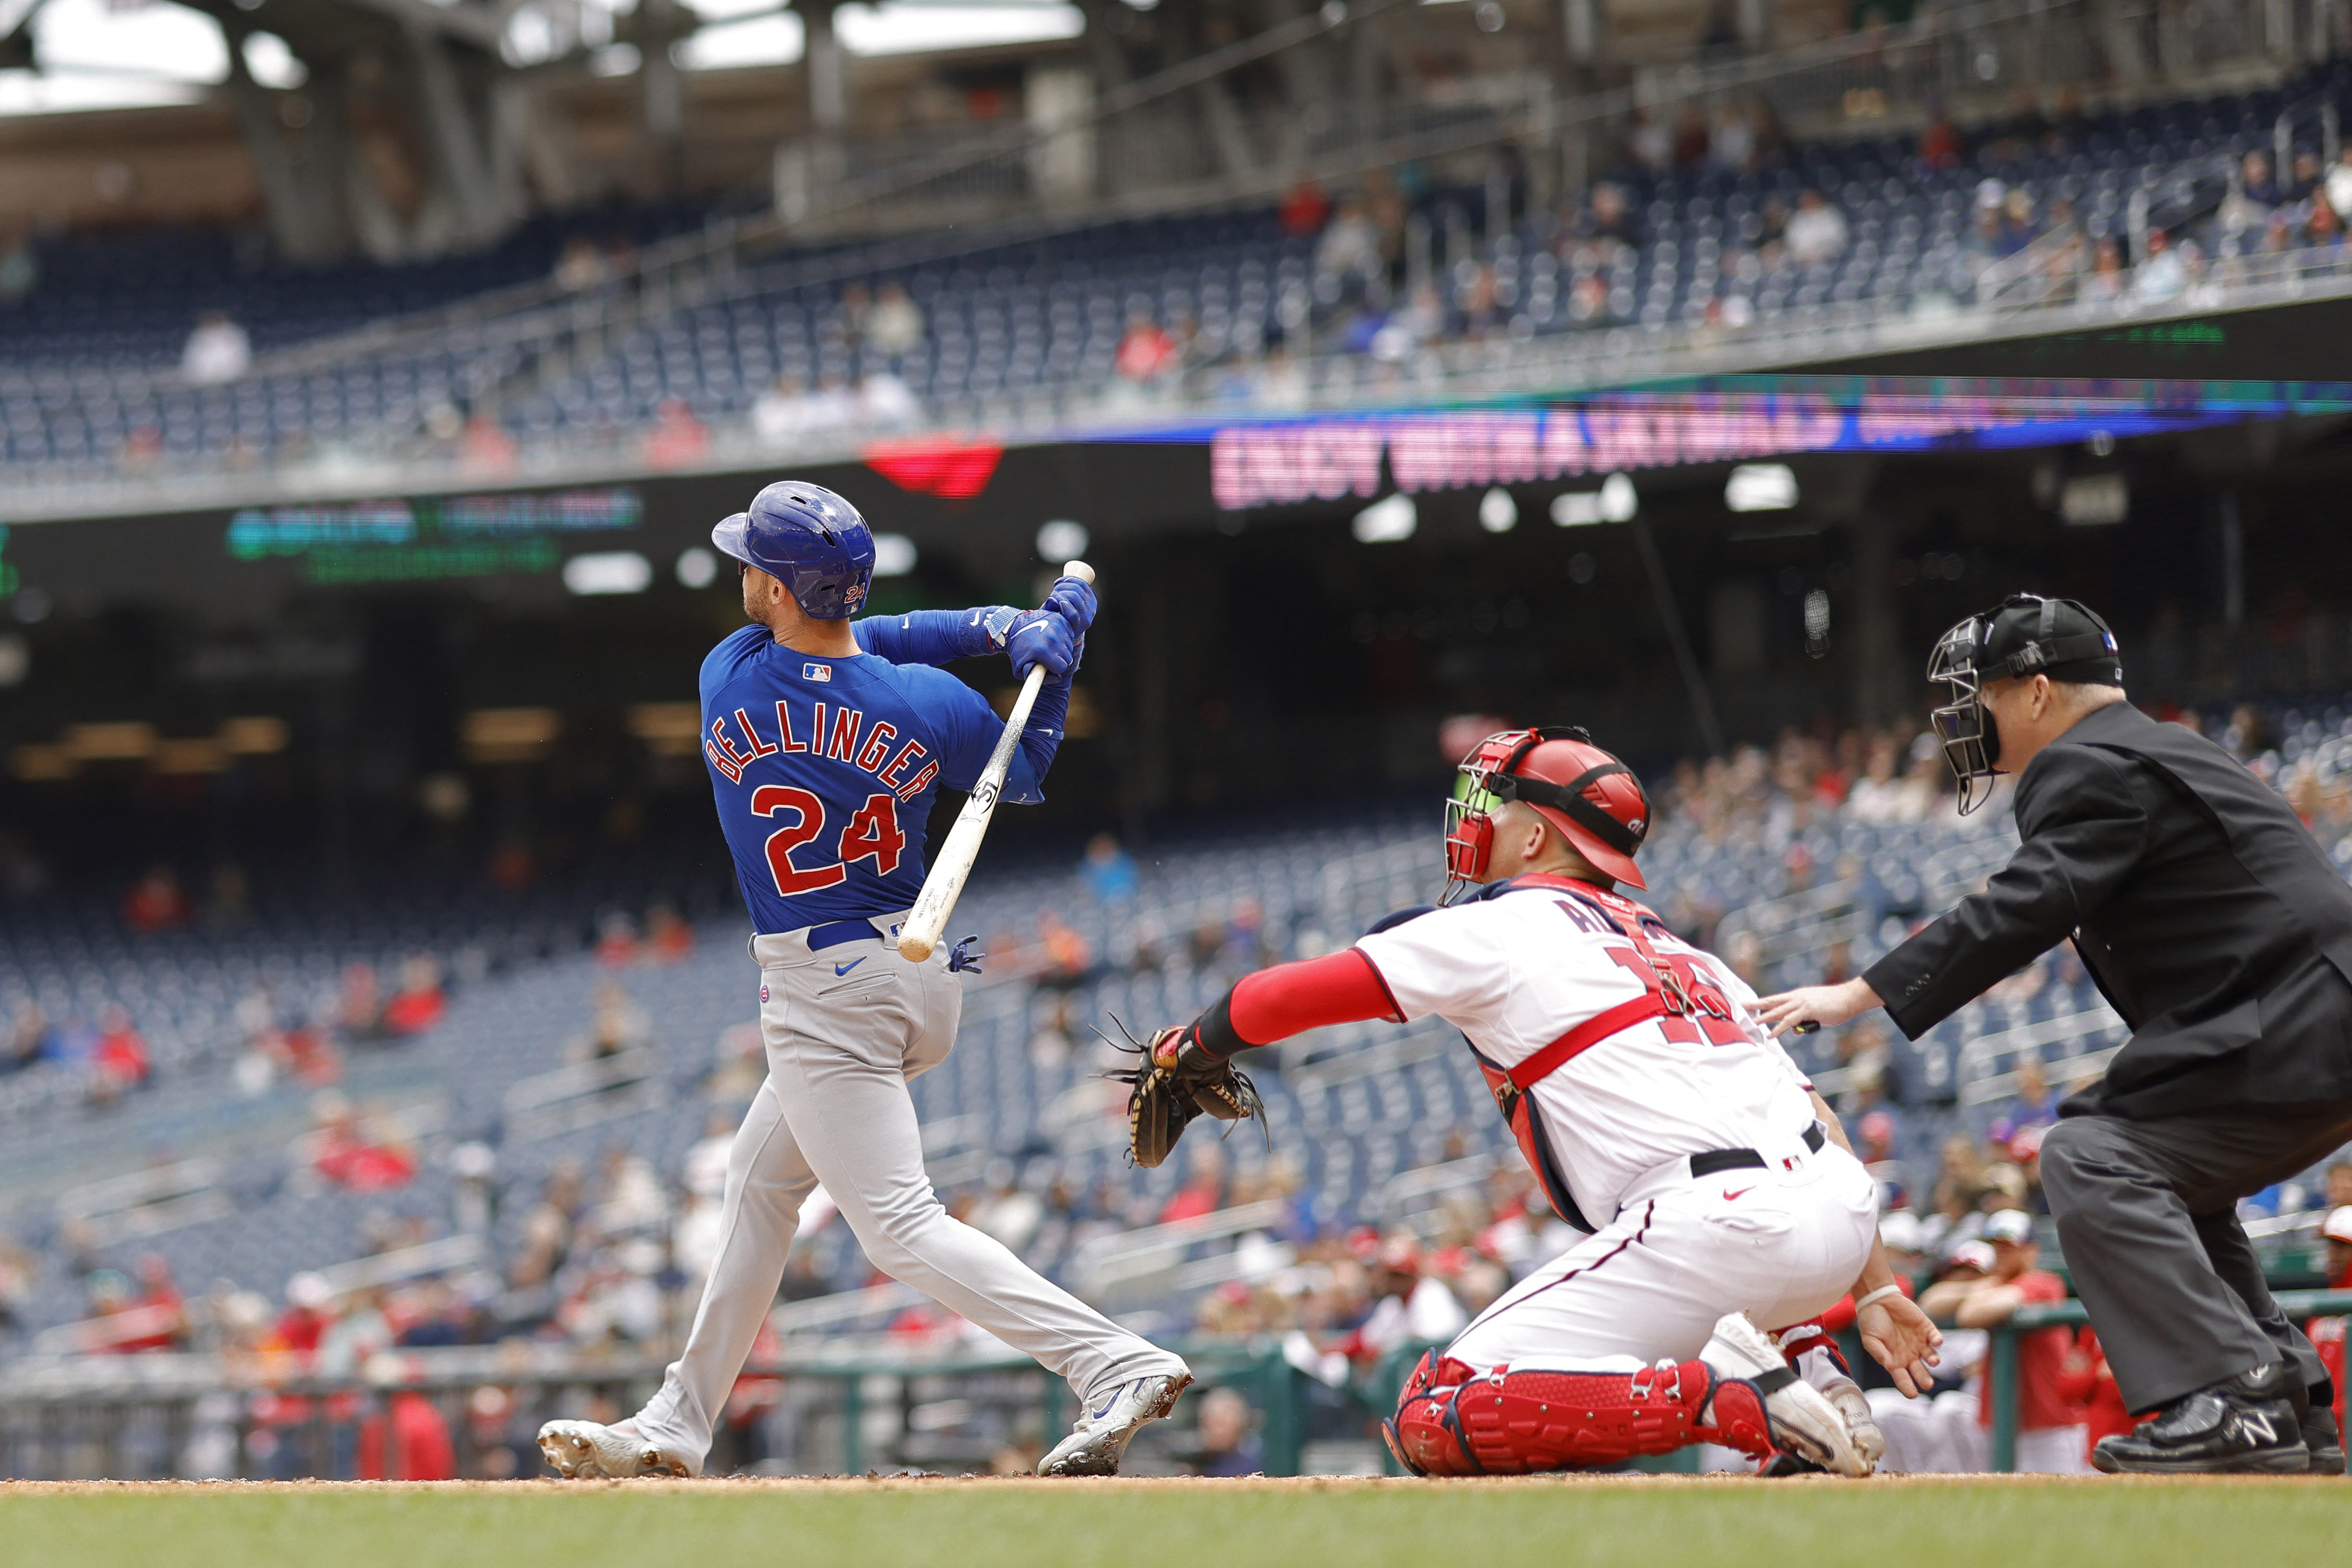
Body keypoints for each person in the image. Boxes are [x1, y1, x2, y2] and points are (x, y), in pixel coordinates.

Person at [539, 481, 1188, 1482]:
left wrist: (994, 630)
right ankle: (677, 1417)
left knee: (898, 1229)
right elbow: (1028, 766)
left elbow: (856, 633)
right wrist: (1038, 651)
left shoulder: (731, 672)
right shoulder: (927, 703)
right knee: (758, 1187)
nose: (743, 575)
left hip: (821, 985)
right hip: (924, 966)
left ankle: (1114, 1360)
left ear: (781, 588)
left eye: (755, 563)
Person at [1132, 727, 1943, 1477]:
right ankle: (1817, 1371)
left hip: (1712, 1224)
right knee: (1744, 1241)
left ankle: (1732, 1397)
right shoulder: (1691, 953)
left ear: (1536, 835)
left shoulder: (1500, 926)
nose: (1478, 815)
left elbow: (1288, 993)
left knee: (1432, 1408)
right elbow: (1822, 1124)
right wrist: (1873, 1287)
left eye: (1500, 802)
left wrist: (1190, 1047)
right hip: (1836, 1217)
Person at [1762, 593, 2352, 1474]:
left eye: (1985, 693)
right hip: (2303, 1014)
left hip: (2293, 1014)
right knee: (2161, 1172)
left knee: (2088, 1152)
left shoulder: (2087, 761)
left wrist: (1864, 990)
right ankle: (2283, 1402)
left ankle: (2233, 1394)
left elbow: (2025, 905)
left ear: (2035, 691)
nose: (1969, 715)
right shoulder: (2148, 745)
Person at [1916, 1208, 2088, 1472]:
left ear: (2031, 1250)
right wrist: (1983, 1287)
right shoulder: (1994, 1284)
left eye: (2010, 1247)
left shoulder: (2043, 1281)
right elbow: (1930, 1302)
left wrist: (1984, 1290)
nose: (2002, 1254)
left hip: (2051, 1428)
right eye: (1997, 1247)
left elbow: (1972, 1314)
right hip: (2003, 1423)